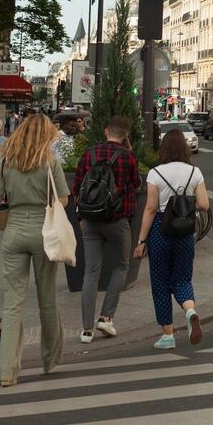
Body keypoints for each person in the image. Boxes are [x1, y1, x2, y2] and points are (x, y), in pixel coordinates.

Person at [0, 114, 69, 387]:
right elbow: (63, 199)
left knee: (12, 304)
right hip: (44, 231)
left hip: (15, 231)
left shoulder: (6, 161)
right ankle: (49, 358)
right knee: (47, 298)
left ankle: (7, 370)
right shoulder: (49, 162)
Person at [135, 129, 209, 349]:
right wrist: (185, 204)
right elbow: (204, 204)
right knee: (182, 278)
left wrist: (140, 242)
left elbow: (150, 208)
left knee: (160, 282)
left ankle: (167, 335)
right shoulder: (195, 172)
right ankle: (190, 310)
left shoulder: (155, 173)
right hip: (185, 230)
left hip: (160, 229)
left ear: (163, 148)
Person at [72, 115, 141, 344]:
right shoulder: (127, 157)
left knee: (91, 272)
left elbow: (76, 188)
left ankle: (86, 329)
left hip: (90, 220)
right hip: (117, 220)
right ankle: (106, 317)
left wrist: (81, 216)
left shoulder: (89, 155)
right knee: (122, 266)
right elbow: (136, 184)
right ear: (126, 136)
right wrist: (128, 150)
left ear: (105, 131)